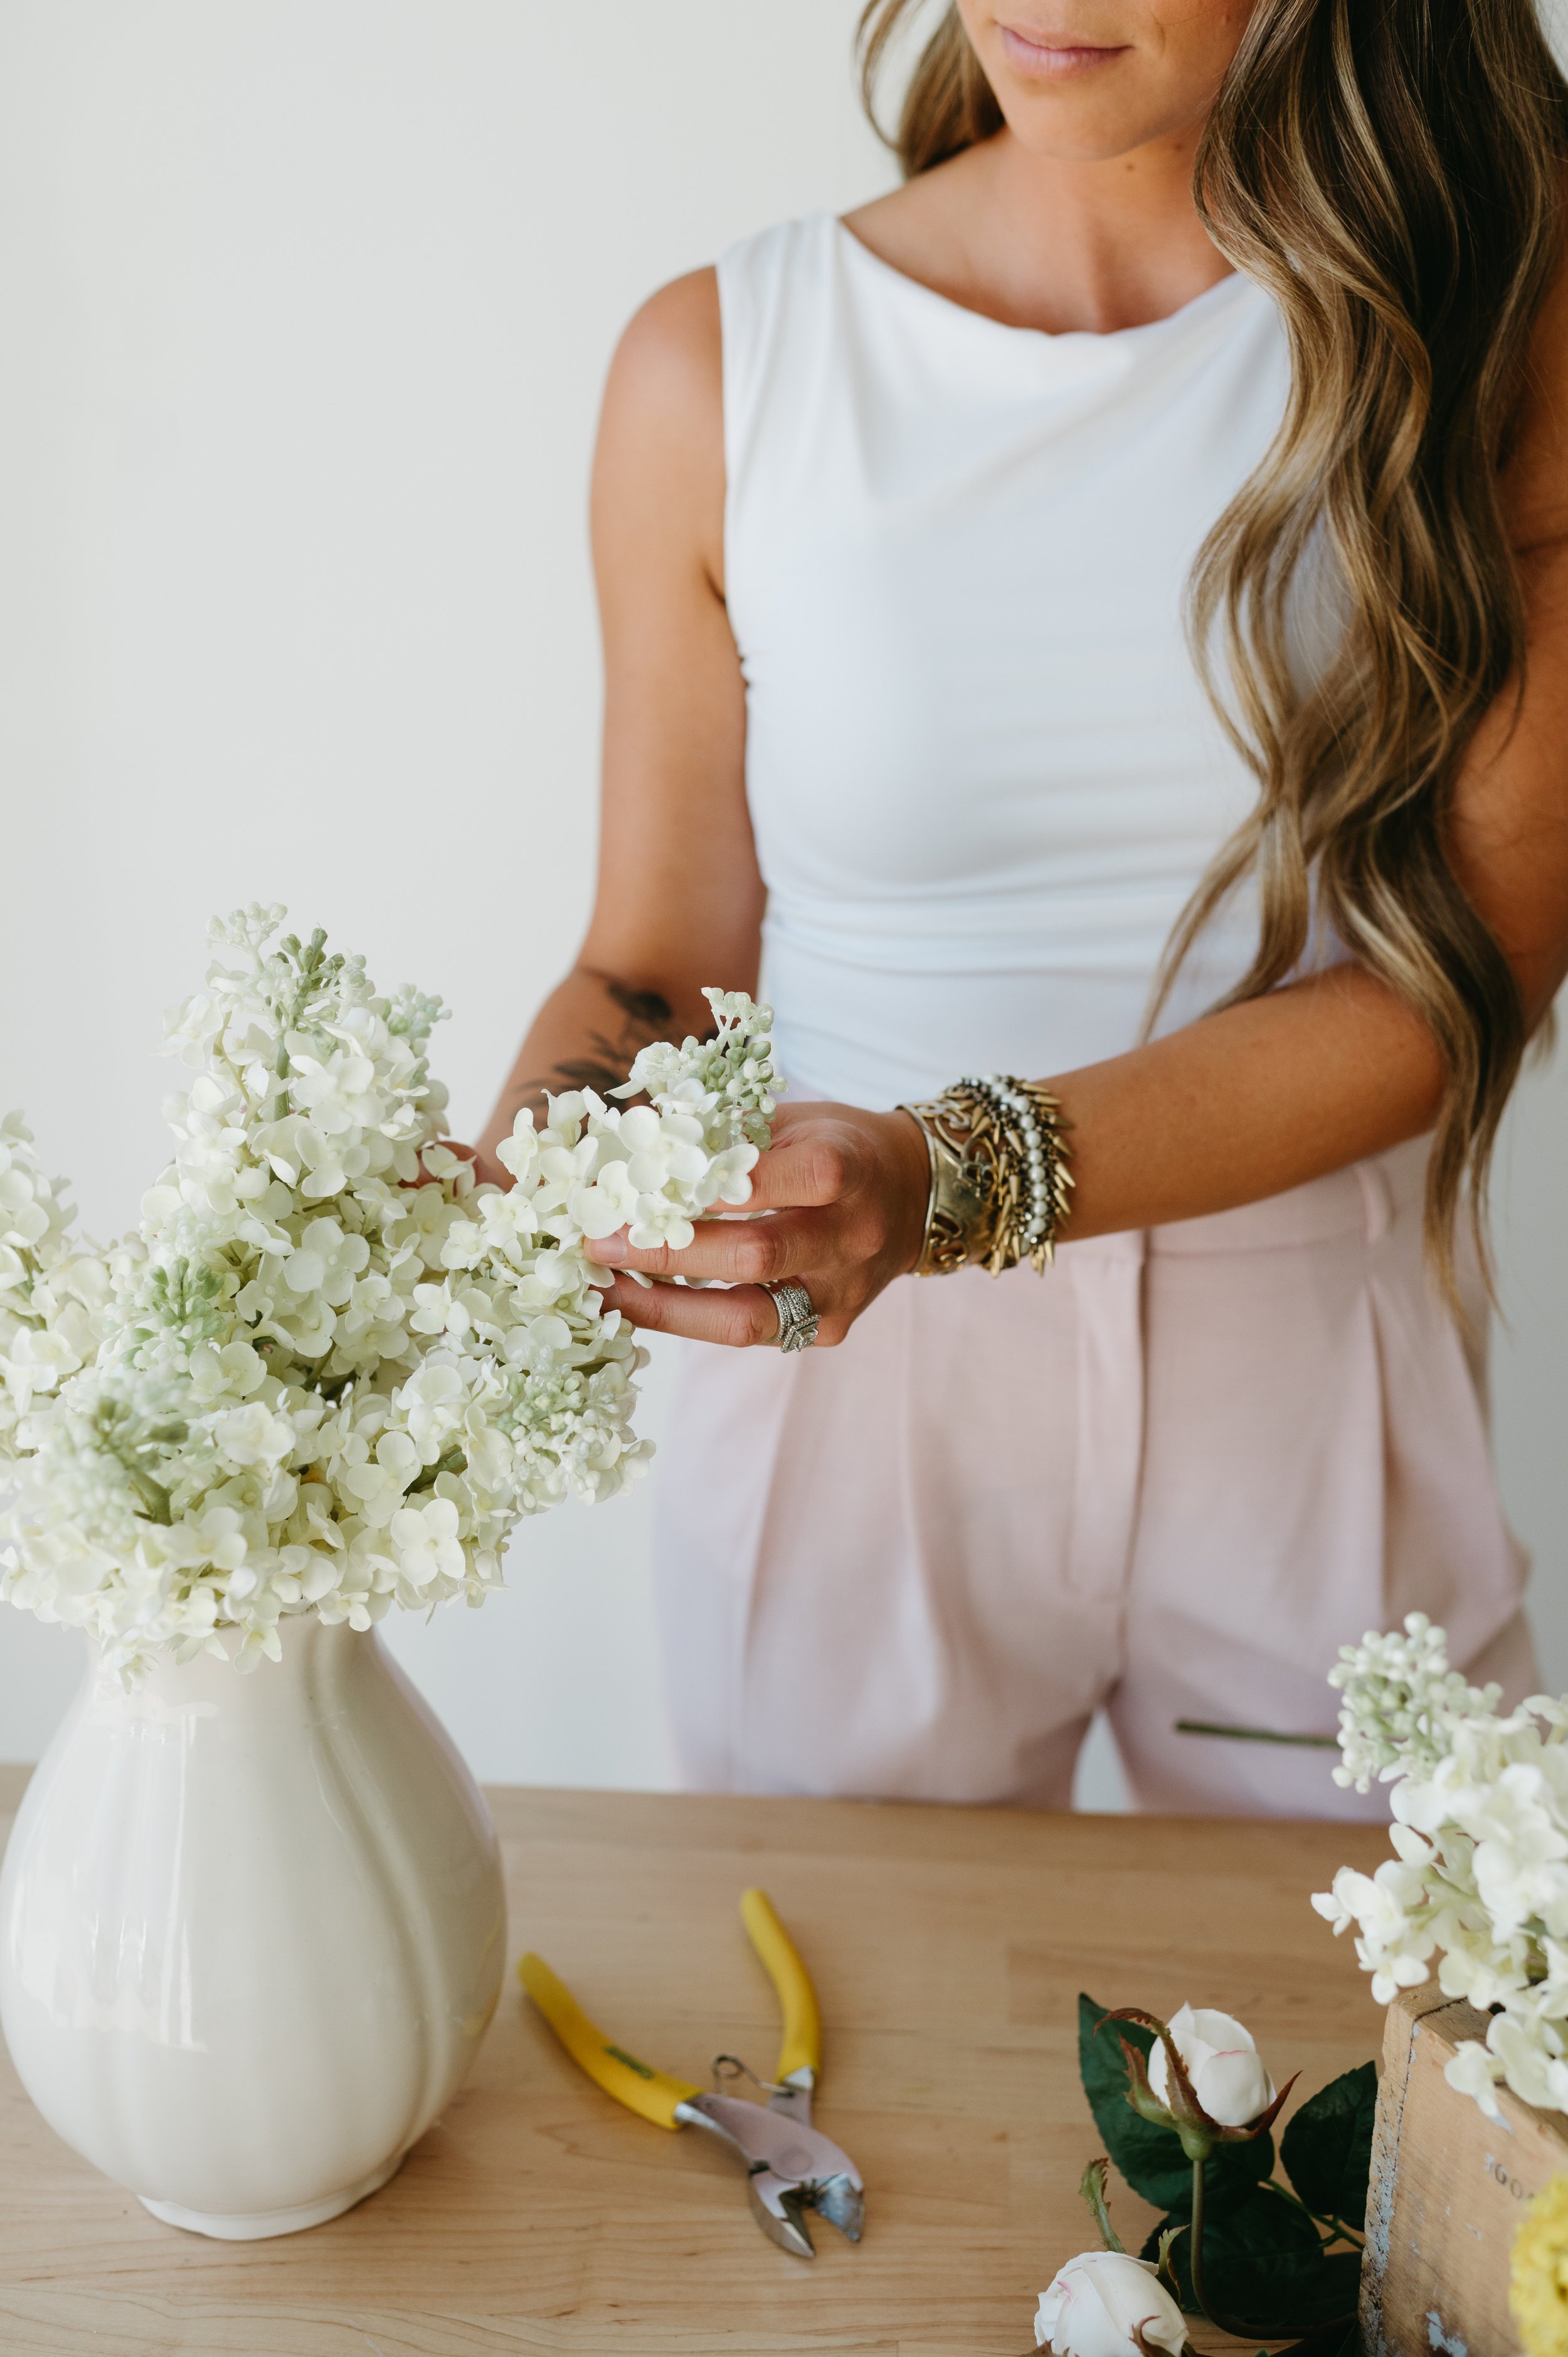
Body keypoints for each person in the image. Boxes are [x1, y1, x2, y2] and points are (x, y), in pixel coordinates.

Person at [471, 2, 1568, 1816]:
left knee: (1404, 2059)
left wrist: (947, 1179)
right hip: (843, 1383)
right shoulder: (724, 363)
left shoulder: (1490, 321)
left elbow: (1460, 981)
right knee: (842, 2042)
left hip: (1310, 1365)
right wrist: (508, 1199)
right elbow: (654, 968)